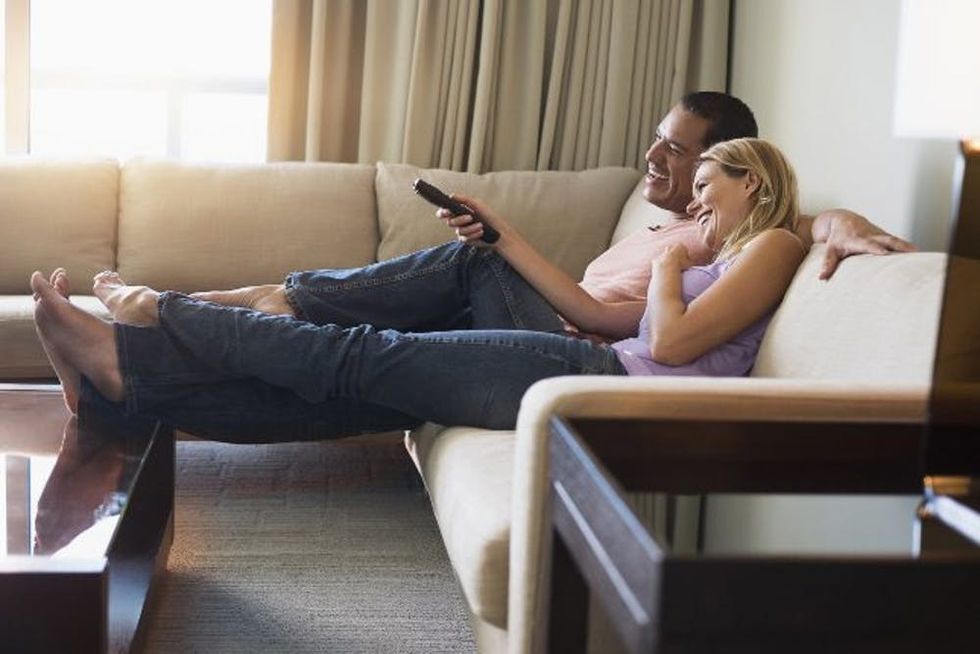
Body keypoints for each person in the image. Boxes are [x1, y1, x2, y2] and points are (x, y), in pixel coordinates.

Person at [35, 138, 805, 440]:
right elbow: (595, 312)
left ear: (755, 182)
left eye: (707, 184)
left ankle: (162, 315)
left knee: (357, 357)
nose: (695, 202)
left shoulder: (771, 244)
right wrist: (499, 230)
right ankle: (118, 384)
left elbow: (667, 344)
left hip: (595, 388)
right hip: (587, 362)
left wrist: (669, 265)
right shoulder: (722, 256)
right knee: (345, 396)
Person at [90, 92, 913, 342]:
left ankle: (255, 303)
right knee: (379, 328)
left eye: (680, 156)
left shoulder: (715, 234)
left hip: (557, 339)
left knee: (464, 267)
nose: (658, 165)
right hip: (544, 322)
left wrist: (834, 220)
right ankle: (226, 316)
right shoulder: (668, 229)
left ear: (726, 170)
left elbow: (792, 225)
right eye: (659, 146)